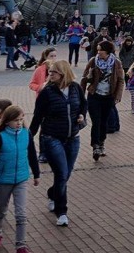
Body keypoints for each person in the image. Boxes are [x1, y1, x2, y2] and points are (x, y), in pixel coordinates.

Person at [29, 59, 87, 227]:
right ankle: (61, 211)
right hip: (52, 138)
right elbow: (37, 116)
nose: (49, 74)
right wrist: (29, 135)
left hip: (73, 138)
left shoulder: (75, 88)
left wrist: (82, 115)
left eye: (53, 72)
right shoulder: (47, 92)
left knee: (66, 174)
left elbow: (83, 104)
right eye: (50, 71)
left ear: (63, 73)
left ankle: (52, 193)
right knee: (61, 173)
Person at [0, 105, 40, 253]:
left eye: (21, 119)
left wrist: (36, 174)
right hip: (4, 179)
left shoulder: (26, 134)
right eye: (16, 120)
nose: (19, 123)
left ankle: (20, 245)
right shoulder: (0, 136)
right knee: (1, 210)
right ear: (7, 121)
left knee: (21, 214)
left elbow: (32, 155)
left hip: (21, 179)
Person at [81, 40, 125, 160]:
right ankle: (95, 146)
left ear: (108, 51)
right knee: (96, 122)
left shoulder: (116, 63)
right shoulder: (93, 61)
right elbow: (84, 78)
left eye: (101, 50)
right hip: (94, 95)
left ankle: (101, 143)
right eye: (98, 49)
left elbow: (121, 80)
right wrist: (81, 93)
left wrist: (118, 95)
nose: (98, 52)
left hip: (108, 96)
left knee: (104, 122)